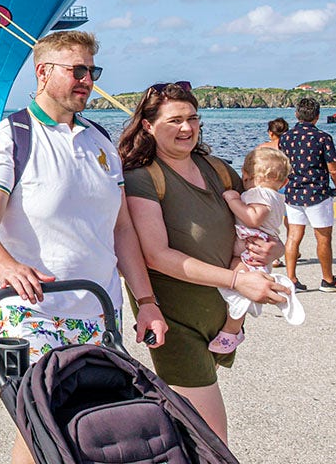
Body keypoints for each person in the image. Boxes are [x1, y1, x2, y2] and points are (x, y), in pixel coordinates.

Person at [0, 32, 166, 464]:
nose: (87, 80)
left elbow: (122, 229)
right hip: (29, 311)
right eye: (77, 70)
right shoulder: (9, 138)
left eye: (92, 71)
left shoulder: (100, 141)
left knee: (88, 423)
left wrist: (146, 302)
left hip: (97, 310)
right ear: (43, 72)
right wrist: (6, 265)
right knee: (42, 423)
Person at [121, 81, 287, 443]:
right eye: (174, 120)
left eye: (193, 118)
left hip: (221, 318)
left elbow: (262, 222)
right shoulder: (142, 178)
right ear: (148, 125)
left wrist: (275, 248)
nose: (187, 128)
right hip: (177, 322)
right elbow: (156, 255)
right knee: (212, 439)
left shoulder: (217, 169)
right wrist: (238, 281)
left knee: (187, 434)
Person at [210, 146, 303, 353]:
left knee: (239, 291)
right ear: (284, 182)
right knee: (236, 287)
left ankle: (231, 331)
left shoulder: (260, 193)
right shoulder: (275, 196)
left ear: (246, 175)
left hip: (250, 252)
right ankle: (233, 328)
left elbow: (253, 218)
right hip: (254, 250)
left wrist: (233, 200)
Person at [280, 98, 336, 292]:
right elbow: (333, 168)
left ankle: (291, 279)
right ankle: (328, 280)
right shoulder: (323, 138)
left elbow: (282, 165)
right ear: (317, 117)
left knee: (293, 236)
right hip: (317, 193)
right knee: (323, 237)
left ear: (297, 115)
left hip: (293, 193)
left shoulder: (285, 138)